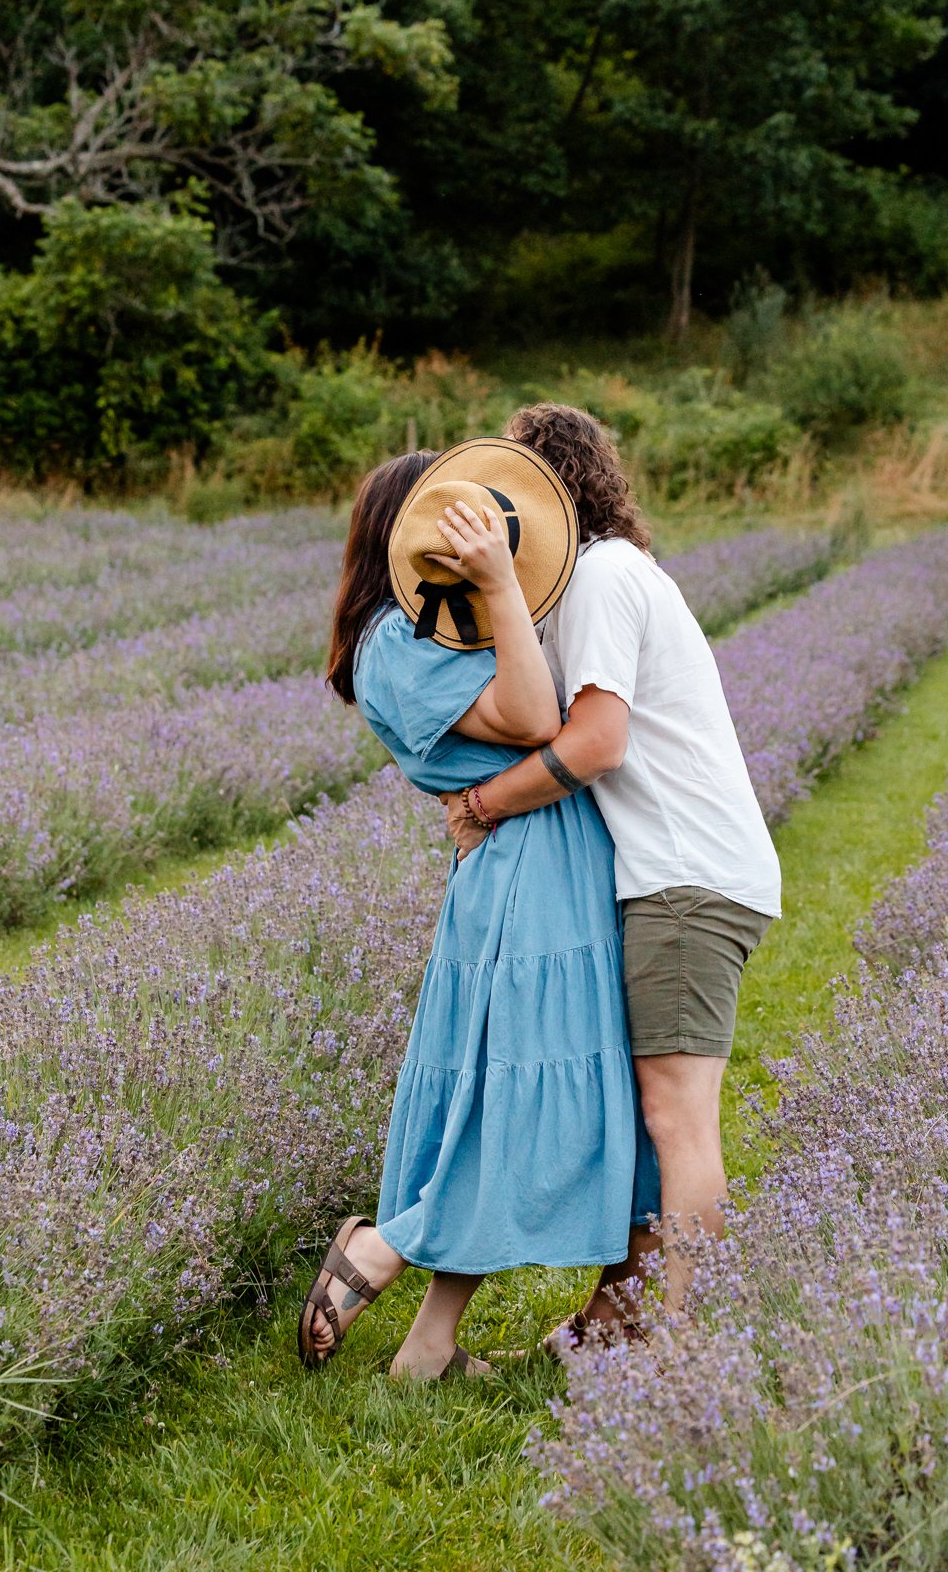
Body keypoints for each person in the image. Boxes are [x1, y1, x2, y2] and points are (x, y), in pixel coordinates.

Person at [299, 438, 659, 1380]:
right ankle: (383, 1248)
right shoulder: (396, 648)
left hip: (531, 861)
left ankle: (428, 1347)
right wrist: (501, 588)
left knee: (497, 1091)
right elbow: (540, 720)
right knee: (512, 1092)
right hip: (527, 878)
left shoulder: (423, 634)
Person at [443, 404, 781, 1327]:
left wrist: (483, 803)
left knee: (675, 1117)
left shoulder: (599, 577)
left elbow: (594, 743)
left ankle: (684, 1353)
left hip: (684, 878)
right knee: (659, 1113)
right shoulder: (605, 575)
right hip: (689, 873)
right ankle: (621, 1329)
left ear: (548, 497)